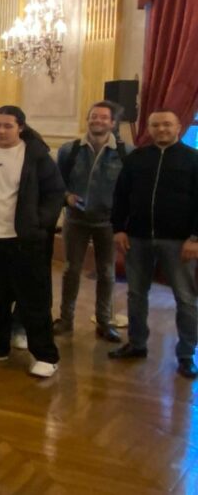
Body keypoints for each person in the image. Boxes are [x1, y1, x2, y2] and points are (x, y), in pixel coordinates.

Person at [0, 106, 64, 378]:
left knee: (33, 300)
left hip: (23, 240)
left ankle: (45, 355)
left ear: (20, 127)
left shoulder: (37, 155)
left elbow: (55, 194)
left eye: (7, 126)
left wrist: (38, 224)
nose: (1, 131)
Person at [109, 109, 198, 378]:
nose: (162, 129)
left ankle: (186, 354)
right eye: (156, 125)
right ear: (149, 128)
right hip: (137, 238)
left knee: (185, 299)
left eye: (167, 124)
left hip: (179, 242)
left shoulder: (193, 159)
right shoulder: (137, 158)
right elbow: (121, 195)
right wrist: (118, 229)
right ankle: (137, 344)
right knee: (136, 294)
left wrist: (195, 237)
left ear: (178, 126)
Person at [54, 101, 129, 341]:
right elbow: (57, 183)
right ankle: (66, 319)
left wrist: (125, 224)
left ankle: (104, 322)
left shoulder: (126, 152)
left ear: (113, 123)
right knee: (70, 270)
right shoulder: (70, 150)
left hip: (109, 223)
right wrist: (67, 197)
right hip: (76, 220)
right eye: (94, 117)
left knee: (107, 273)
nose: (98, 121)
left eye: (103, 118)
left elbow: (131, 190)